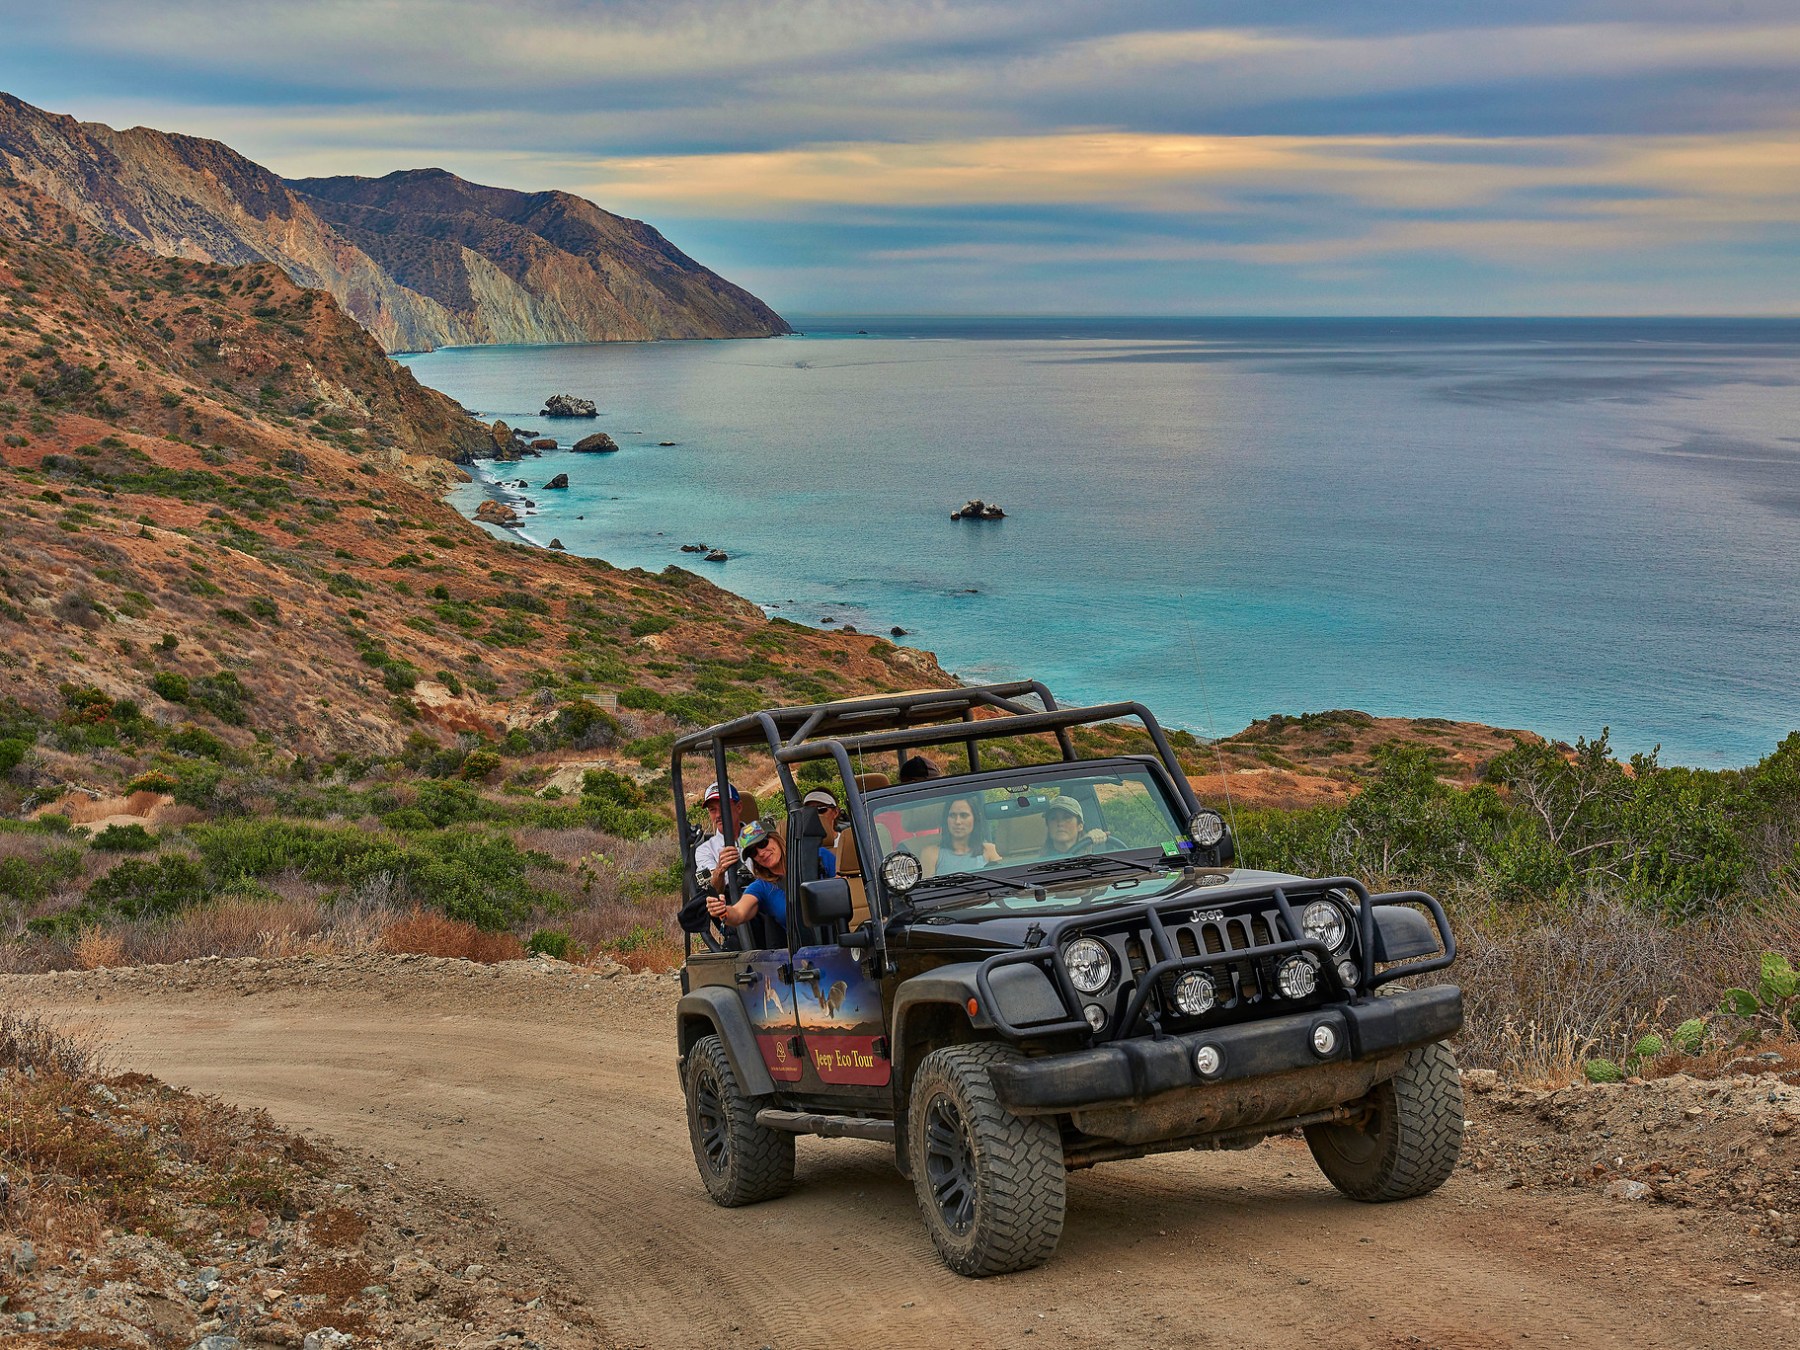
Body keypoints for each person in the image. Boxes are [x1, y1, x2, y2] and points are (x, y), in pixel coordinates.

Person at [707, 818, 837, 933]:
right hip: (805, 953)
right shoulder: (762, 887)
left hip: (843, 940)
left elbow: (845, 887)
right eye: (753, 852)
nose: (761, 853)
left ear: (775, 838)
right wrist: (723, 912)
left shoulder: (819, 857)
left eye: (763, 844)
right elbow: (739, 913)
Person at [920, 796, 1001, 876]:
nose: (958, 821)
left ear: (975, 819)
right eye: (952, 815)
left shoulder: (989, 850)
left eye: (964, 815)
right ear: (946, 820)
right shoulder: (930, 854)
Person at [1042, 796, 1108, 857]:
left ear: (1080, 825)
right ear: (1048, 825)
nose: (1060, 823)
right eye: (1053, 818)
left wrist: (1096, 838)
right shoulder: (1039, 862)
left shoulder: (1096, 855)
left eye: (1067, 817)